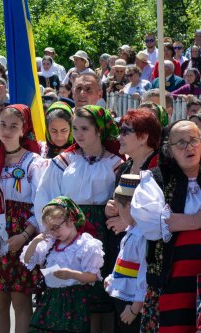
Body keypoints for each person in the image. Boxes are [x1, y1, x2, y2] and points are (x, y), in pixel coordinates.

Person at [35, 105, 124, 333]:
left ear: (99, 130)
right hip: (71, 231)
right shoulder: (65, 161)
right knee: (74, 296)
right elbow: (45, 196)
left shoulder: (115, 162)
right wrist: (52, 231)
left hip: (105, 233)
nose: (79, 134)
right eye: (75, 128)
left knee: (103, 294)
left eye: (85, 128)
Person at [0, 104, 47, 333]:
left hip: (22, 234)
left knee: (21, 301)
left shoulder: (34, 162)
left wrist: (24, 237)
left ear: (24, 130)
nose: (6, 130)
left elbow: (40, 205)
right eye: (3, 124)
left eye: (13, 126)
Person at [130, 120, 200, 332]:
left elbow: (167, 221)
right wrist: (196, 221)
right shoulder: (155, 179)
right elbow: (152, 223)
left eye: (194, 140)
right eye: (181, 143)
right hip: (171, 278)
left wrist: (179, 221)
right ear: (168, 148)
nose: (189, 147)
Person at [21, 196, 104, 333]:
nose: (53, 232)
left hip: (74, 301)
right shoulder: (50, 244)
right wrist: (35, 242)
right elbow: (27, 260)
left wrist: (71, 274)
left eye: (56, 227)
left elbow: (93, 276)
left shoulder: (85, 244)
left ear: (70, 220)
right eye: (49, 229)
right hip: (50, 298)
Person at [105, 109, 162, 272]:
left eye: (124, 132)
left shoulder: (159, 168)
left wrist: (129, 222)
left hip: (148, 253)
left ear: (143, 137)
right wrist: (110, 209)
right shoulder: (124, 168)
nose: (118, 137)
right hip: (125, 248)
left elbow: (163, 212)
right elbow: (119, 203)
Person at [104, 174, 147, 333]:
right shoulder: (132, 231)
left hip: (132, 304)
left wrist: (136, 308)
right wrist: (113, 279)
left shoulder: (142, 236)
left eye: (119, 209)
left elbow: (144, 274)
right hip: (123, 297)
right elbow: (124, 262)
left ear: (130, 206)